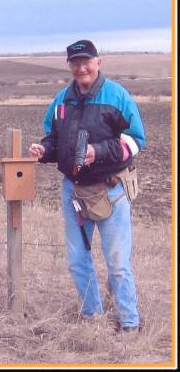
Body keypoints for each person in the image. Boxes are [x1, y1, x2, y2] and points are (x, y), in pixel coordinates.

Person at [29, 40, 145, 333]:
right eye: (75, 62)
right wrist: (44, 150)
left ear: (98, 62)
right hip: (73, 191)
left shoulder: (117, 96)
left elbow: (135, 141)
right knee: (78, 261)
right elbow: (53, 139)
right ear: (70, 66)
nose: (81, 67)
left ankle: (130, 324)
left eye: (86, 61)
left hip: (111, 190)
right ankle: (92, 317)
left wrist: (98, 151)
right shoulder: (61, 101)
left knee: (118, 263)